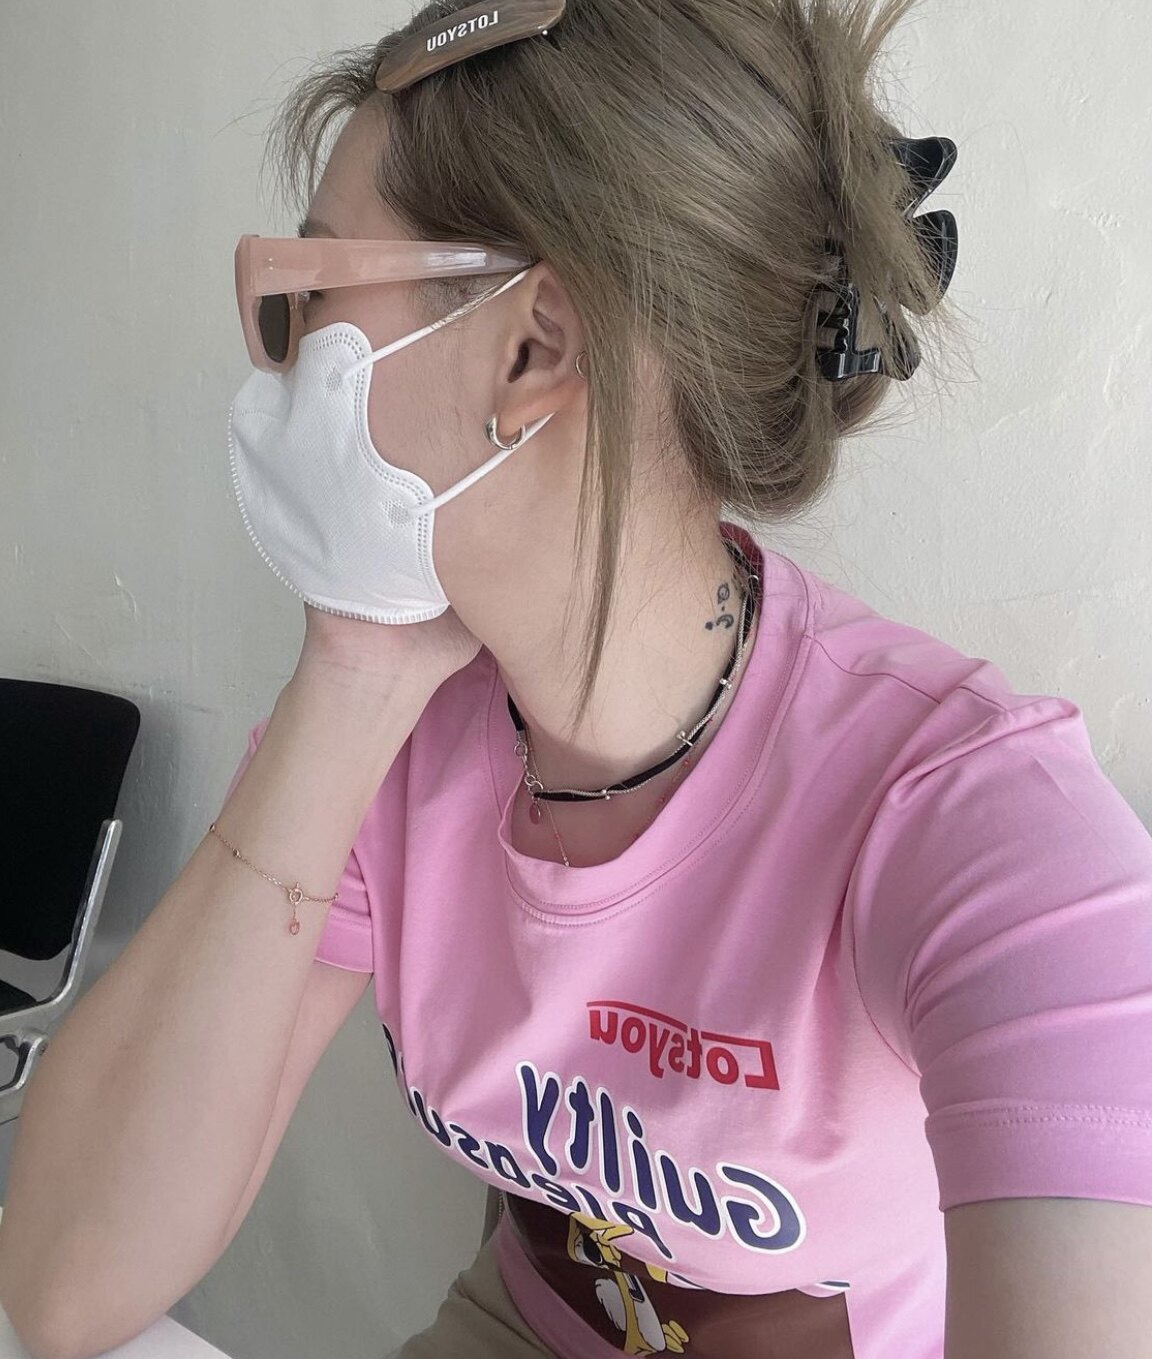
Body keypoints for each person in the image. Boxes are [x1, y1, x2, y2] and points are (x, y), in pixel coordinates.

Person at [4, 3, 1150, 1359]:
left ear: (534, 347)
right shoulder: (400, 731)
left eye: (313, 293)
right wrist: (352, 670)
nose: (277, 353)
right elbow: (64, 1283)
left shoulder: (982, 827)